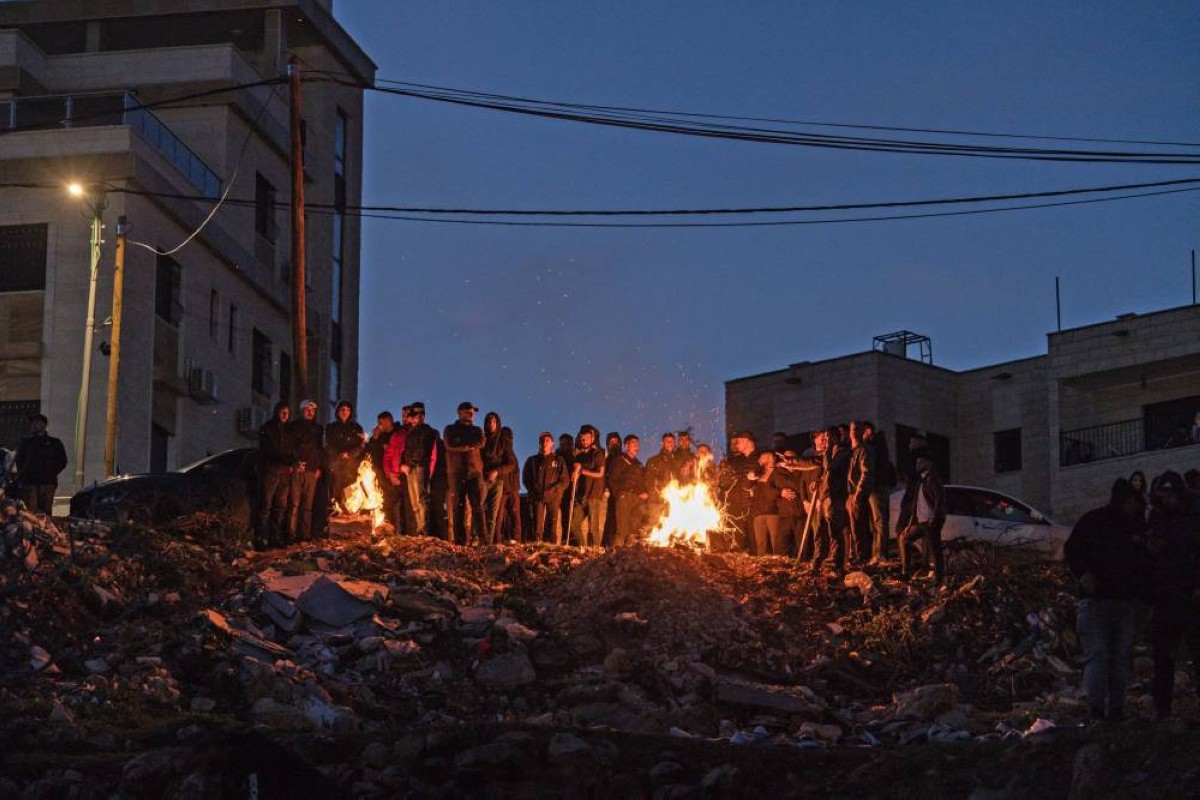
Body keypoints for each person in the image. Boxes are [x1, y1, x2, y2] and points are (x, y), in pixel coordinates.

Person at [1064, 478, 1152, 723]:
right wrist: (1083, 574)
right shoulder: (1094, 521)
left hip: (1125, 603)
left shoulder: (1136, 528)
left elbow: (1144, 564)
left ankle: (1114, 710)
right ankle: (1097, 710)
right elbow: (1072, 549)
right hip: (1098, 602)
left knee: (1118, 658)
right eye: (1133, 502)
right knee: (1100, 656)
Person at [1145, 471, 1200, 721]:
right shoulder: (1158, 517)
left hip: (1190, 593)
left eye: (1168, 497)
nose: (1165, 502)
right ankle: (1163, 709)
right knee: (1163, 655)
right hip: (1166, 594)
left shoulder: (1193, 513)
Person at [895, 449, 946, 585]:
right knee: (904, 538)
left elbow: (939, 500)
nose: (917, 464)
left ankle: (939, 578)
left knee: (935, 550)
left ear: (928, 463)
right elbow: (916, 505)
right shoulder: (920, 481)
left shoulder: (933, 479)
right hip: (920, 522)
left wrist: (935, 517)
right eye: (917, 462)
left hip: (930, 522)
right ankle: (906, 572)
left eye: (920, 462)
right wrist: (910, 524)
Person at [443, 402, 485, 545]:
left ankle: (483, 540)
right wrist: (469, 445)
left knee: (477, 506)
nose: (471, 414)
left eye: (472, 412)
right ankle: (460, 541)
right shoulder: (450, 429)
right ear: (459, 413)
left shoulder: (477, 430)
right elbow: (450, 444)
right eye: (468, 411)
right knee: (458, 508)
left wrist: (462, 444)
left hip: (474, 473)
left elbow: (480, 442)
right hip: (456, 473)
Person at [255, 401, 296, 548]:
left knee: (280, 506)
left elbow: (292, 451)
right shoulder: (268, 429)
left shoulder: (289, 431)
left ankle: (275, 537)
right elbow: (269, 450)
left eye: (287, 413)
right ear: (277, 412)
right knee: (265, 505)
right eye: (282, 412)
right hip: (270, 471)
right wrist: (284, 459)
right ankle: (259, 538)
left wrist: (292, 462)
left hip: (284, 473)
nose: (285, 415)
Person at [13, 414, 67, 515]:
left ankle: (46, 530)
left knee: (45, 512)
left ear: (44, 425)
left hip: (47, 482)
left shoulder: (54, 443)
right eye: (32, 423)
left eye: (37, 423)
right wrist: (24, 473)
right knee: (30, 512)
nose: (33, 425)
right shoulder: (27, 443)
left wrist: (51, 472)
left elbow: (62, 461)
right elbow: (19, 460)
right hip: (30, 482)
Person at [288, 399, 325, 541]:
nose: (310, 412)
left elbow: (319, 449)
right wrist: (295, 462)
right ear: (302, 410)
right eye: (307, 409)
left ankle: (304, 536)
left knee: (307, 506)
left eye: (313, 410)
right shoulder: (293, 427)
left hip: (311, 471)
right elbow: (290, 446)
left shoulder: (317, 428)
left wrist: (318, 467)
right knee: (294, 504)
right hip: (298, 469)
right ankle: (291, 536)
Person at [523, 432, 569, 544]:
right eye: (542, 441)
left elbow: (565, 480)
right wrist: (533, 490)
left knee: (552, 523)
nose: (544, 443)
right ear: (539, 443)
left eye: (547, 440)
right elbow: (526, 478)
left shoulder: (558, 460)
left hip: (553, 497)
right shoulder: (532, 460)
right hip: (537, 496)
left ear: (552, 443)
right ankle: (537, 546)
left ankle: (552, 548)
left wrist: (554, 490)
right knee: (537, 524)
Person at [718, 431, 759, 552]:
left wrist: (755, 487)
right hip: (737, 505)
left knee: (754, 536)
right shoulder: (736, 460)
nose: (736, 444)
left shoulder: (759, 458)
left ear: (748, 442)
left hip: (753, 505)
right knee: (739, 537)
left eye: (739, 441)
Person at [607, 434, 649, 547]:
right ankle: (616, 554)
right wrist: (619, 494)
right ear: (626, 446)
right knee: (622, 529)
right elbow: (612, 479)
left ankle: (631, 555)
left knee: (635, 527)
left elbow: (642, 482)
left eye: (637, 444)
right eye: (633, 443)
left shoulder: (639, 465)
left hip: (637, 499)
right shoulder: (619, 460)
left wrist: (645, 493)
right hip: (624, 497)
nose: (636, 446)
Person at [401, 402, 436, 536]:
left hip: (419, 467)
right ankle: (420, 530)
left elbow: (421, 450)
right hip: (411, 468)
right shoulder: (412, 431)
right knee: (415, 501)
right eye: (414, 416)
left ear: (423, 416)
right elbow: (407, 451)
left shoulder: (427, 431)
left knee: (421, 500)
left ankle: (423, 531)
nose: (415, 418)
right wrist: (403, 464)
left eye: (418, 415)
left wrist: (408, 463)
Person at [569, 425, 607, 548]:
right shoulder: (578, 456)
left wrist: (582, 470)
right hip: (581, 496)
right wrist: (574, 475)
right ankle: (583, 548)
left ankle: (595, 551)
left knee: (593, 526)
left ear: (592, 439)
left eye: (587, 438)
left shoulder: (598, 454)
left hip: (594, 495)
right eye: (582, 438)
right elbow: (576, 472)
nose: (584, 440)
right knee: (574, 524)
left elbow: (600, 473)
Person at [862, 422, 895, 563]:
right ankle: (878, 552)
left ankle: (879, 554)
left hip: (876, 487)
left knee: (879, 520)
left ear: (868, 431)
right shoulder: (880, 445)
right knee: (877, 521)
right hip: (880, 486)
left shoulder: (874, 446)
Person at [325, 400, 365, 515]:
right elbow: (328, 445)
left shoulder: (356, 428)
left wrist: (350, 454)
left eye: (347, 410)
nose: (344, 412)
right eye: (342, 409)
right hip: (336, 465)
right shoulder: (331, 427)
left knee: (350, 492)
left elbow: (361, 445)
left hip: (351, 466)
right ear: (338, 411)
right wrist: (339, 454)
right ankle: (334, 517)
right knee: (335, 492)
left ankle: (350, 516)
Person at [481, 412, 513, 545]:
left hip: (497, 481)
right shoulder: (482, 439)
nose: (491, 424)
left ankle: (487, 541)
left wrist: (497, 471)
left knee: (492, 514)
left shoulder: (503, 441)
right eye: (488, 421)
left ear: (497, 423)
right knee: (479, 510)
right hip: (482, 479)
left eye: (493, 421)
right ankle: (477, 539)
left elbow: (511, 463)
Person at [846, 421, 875, 564]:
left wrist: (858, 493)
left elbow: (866, 473)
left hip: (856, 495)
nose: (853, 431)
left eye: (856, 429)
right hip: (849, 494)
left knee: (859, 527)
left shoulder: (863, 450)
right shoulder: (848, 450)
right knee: (852, 527)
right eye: (852, 429)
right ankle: (856, 555)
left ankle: (862, 556)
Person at [366, 411, 399, 530]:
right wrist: (374, 438)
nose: (379, 425)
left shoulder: (397, 433)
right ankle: (385, 526)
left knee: (394, 501)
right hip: (381, 472)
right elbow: (370, 450)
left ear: (388, 421)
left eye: (381, 422)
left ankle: (396, 528)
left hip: (394, 473)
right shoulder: (380, 436)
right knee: (385, 501)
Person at [383, 405, 412, 534]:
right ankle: (394, 534)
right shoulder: (397, 435)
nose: (405, 418)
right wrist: (390, 474)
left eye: (407, 415)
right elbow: (387, 456)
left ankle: (410, 535)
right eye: (403, 415)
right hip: (396, 477)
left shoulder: (416, 433)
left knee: (409, 508)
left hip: (410, 476)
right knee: (393, 507)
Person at [749, 451, 782, 556]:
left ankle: (779, 564)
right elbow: (747, 487)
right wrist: (750, 481)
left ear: (770, 458)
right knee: (760, 542)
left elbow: (777, 490)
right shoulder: (758, 473)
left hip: (773, 511)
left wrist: (762, 482)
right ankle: (761, 565)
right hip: (758, 512)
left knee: (776, 541)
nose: (759, 460)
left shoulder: (777, 472)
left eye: (762, 458)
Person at [499, 425, 523, 542]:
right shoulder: (508, 452)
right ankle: (511, 537)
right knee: (509, 514)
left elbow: (512, 467)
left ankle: (513, 538)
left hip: (509, 487)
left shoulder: (507, 451)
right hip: (509, 487)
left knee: (510, 514)